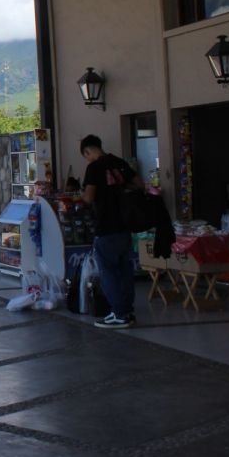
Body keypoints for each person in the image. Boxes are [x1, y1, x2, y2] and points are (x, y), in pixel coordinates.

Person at [80, 134, 143, 329]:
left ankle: (119, 313)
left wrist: (80, 197)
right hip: (125, 227)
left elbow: (89, 198)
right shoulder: (118, 162)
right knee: (125, 272)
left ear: (88, 151)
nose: (88, 159)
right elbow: (139, 185)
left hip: (106, 227)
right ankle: (128, 311)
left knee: (109, 273)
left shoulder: (94, 167)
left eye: (86, 156)